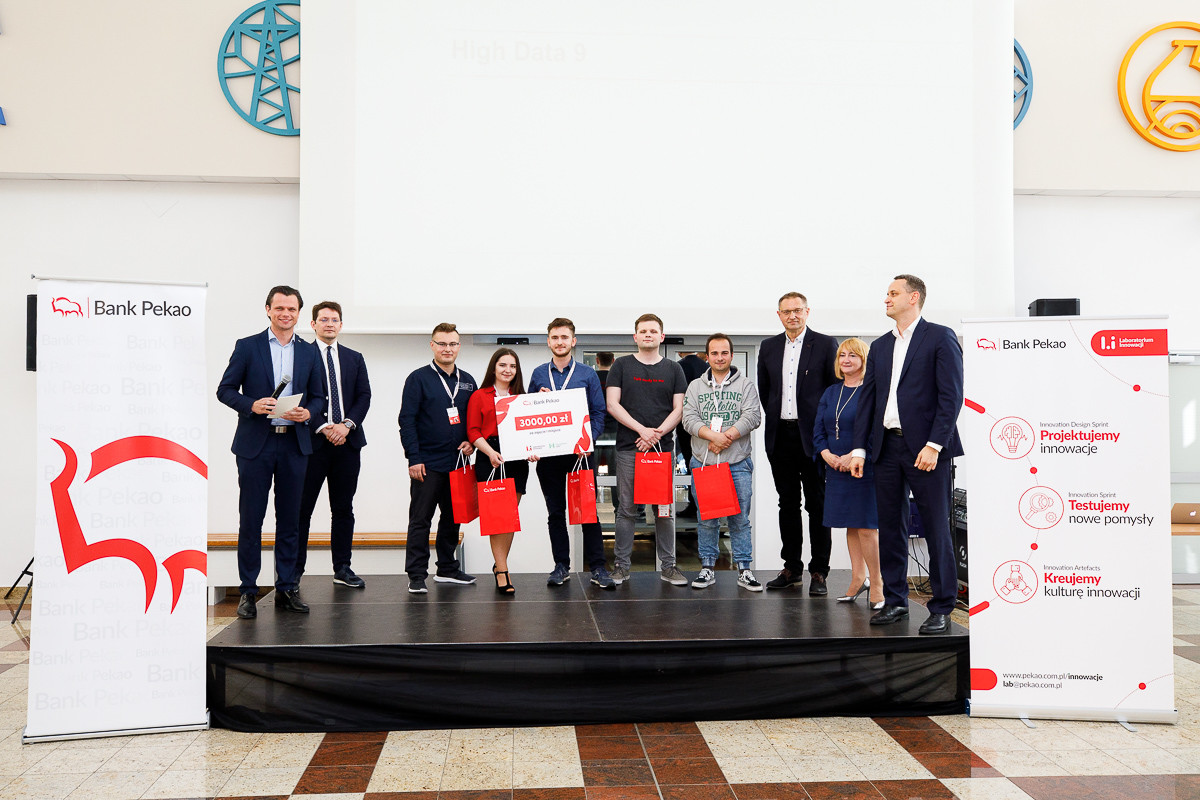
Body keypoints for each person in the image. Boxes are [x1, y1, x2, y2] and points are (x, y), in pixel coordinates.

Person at [850, 274, 964, 635]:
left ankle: (942, 606)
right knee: (890, 528)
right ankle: (896, 601)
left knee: (936, 529)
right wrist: (859, 449)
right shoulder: (880, 346)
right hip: (886, 448)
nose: (886, 298)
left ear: (913, 297)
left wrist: (935, 445)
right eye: (887, 293)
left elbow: (951, 396)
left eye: (893, 293)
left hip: (926, 450)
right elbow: (868, 401)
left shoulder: (940, 337)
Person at [217, 285, 326, 620]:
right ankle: (248, 591)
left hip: (294, 444)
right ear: (268, 310)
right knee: (251, 519)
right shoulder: (247, 346)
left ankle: (287, 588)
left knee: (291, 520)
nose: (285, 314)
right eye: (279, 308)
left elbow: (319, 397)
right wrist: (251, 404)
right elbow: (225, 390)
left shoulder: (309, 351)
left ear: (299, 313)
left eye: (291, 309)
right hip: (256, 445)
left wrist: (308, 413)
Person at [757, 292, 839, 595]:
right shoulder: (768, 347)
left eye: (797, 310)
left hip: (815, 439)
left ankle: (819, 571)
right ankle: (792, 567)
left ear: (807, 312)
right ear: (779, 314)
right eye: (786, 311)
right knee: (787, 504)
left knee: (818, 505)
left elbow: (833, 391)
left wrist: (827, 436)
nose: (792, 316)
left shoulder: (826, 344)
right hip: (781, 436)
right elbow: (766, 392)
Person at [528, 319, 615, 589]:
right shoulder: (539, 374)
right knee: (556, 513)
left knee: (588, 512)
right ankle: (561, 566)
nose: (560, 342)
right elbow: (528, 414)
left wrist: (588, 441)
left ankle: (598, 568)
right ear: (548, 342)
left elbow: (598, 412)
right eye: (555, 337)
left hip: (580, 455)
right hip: (549, 458)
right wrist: (531, 445)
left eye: (564, 337)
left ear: (573, 341)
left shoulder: (587, 374)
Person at [605, 314, 689, 586]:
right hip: (629, 449)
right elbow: (612, 405)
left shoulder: (674, 369)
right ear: (635, 337)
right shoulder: (621, 365)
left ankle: (669, 567)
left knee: (664, 510)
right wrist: (643, 431)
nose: (648, 335)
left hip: (662, 451)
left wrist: (656, 434)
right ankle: (621, 567)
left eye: (653, 331)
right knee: (626, 509)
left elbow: (679, 409)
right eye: (643, 331)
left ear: (661, 336)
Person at [398, 323, 478, 594]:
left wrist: (471, 441)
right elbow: (406, 421)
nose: (447, 349)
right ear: (432, 346)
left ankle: (447, 568)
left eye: (452, 344)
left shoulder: (468, 381)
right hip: (427, 463)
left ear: (459, 347)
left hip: (458, 463)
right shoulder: (418, 378)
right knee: (421, 519)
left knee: (453, 518)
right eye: (442, 344)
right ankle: (416, 574)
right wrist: (413, 457)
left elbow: (474, 419)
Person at [297, 301, 372, 589]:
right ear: (313, 324)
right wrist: (323, 426)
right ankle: (293, 573)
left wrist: (346, 425)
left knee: (343, 509)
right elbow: (300, 397)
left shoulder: (354, 358)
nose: (329, 324)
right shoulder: (301, 356)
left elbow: (364, 396)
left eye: (334, 320)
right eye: (324, 319)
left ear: (341, 325)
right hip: (312, 443)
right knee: (302, 510)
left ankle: (342, 568)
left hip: (347, 444)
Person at [681, 333, 763, 591]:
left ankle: (744, 569)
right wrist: (712, 436)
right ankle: (707, 568)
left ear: (731, 355)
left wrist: (725, 437)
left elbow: (753, 416)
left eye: (724, 353)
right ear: (707, 357)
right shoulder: (695, 386)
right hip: (704, 463)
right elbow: (688, 419)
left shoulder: (746, 385)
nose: (719, 357)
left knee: (740, 519)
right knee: (707, 519)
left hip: (737, 463)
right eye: (714, 353)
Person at [813, 338, 884, 609]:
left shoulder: (872, 391)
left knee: (866, 527)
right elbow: (819, 429)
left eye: (853, 355)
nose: (846, 360)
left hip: (863, 467)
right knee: (850, 526)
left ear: (864, 360)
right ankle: (857, 578)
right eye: (842, 355)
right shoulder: (831, 392)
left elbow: (877, 431)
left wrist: (855, 454)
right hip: (835, 468)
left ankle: (877, 583)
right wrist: (826, 453)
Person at [466, 348, 534, 595]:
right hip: (490, 457)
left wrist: (532, 449)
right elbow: (473, 431)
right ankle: (503, 570)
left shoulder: (522, 398)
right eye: (503, 365)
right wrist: (489, 452)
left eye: (512, 366)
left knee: (509, 518)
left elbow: (530, 430)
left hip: (517, 459)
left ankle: (499, 564)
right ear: (493, 368)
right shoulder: (479, 396)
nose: (508, 370)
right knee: (497, 519)